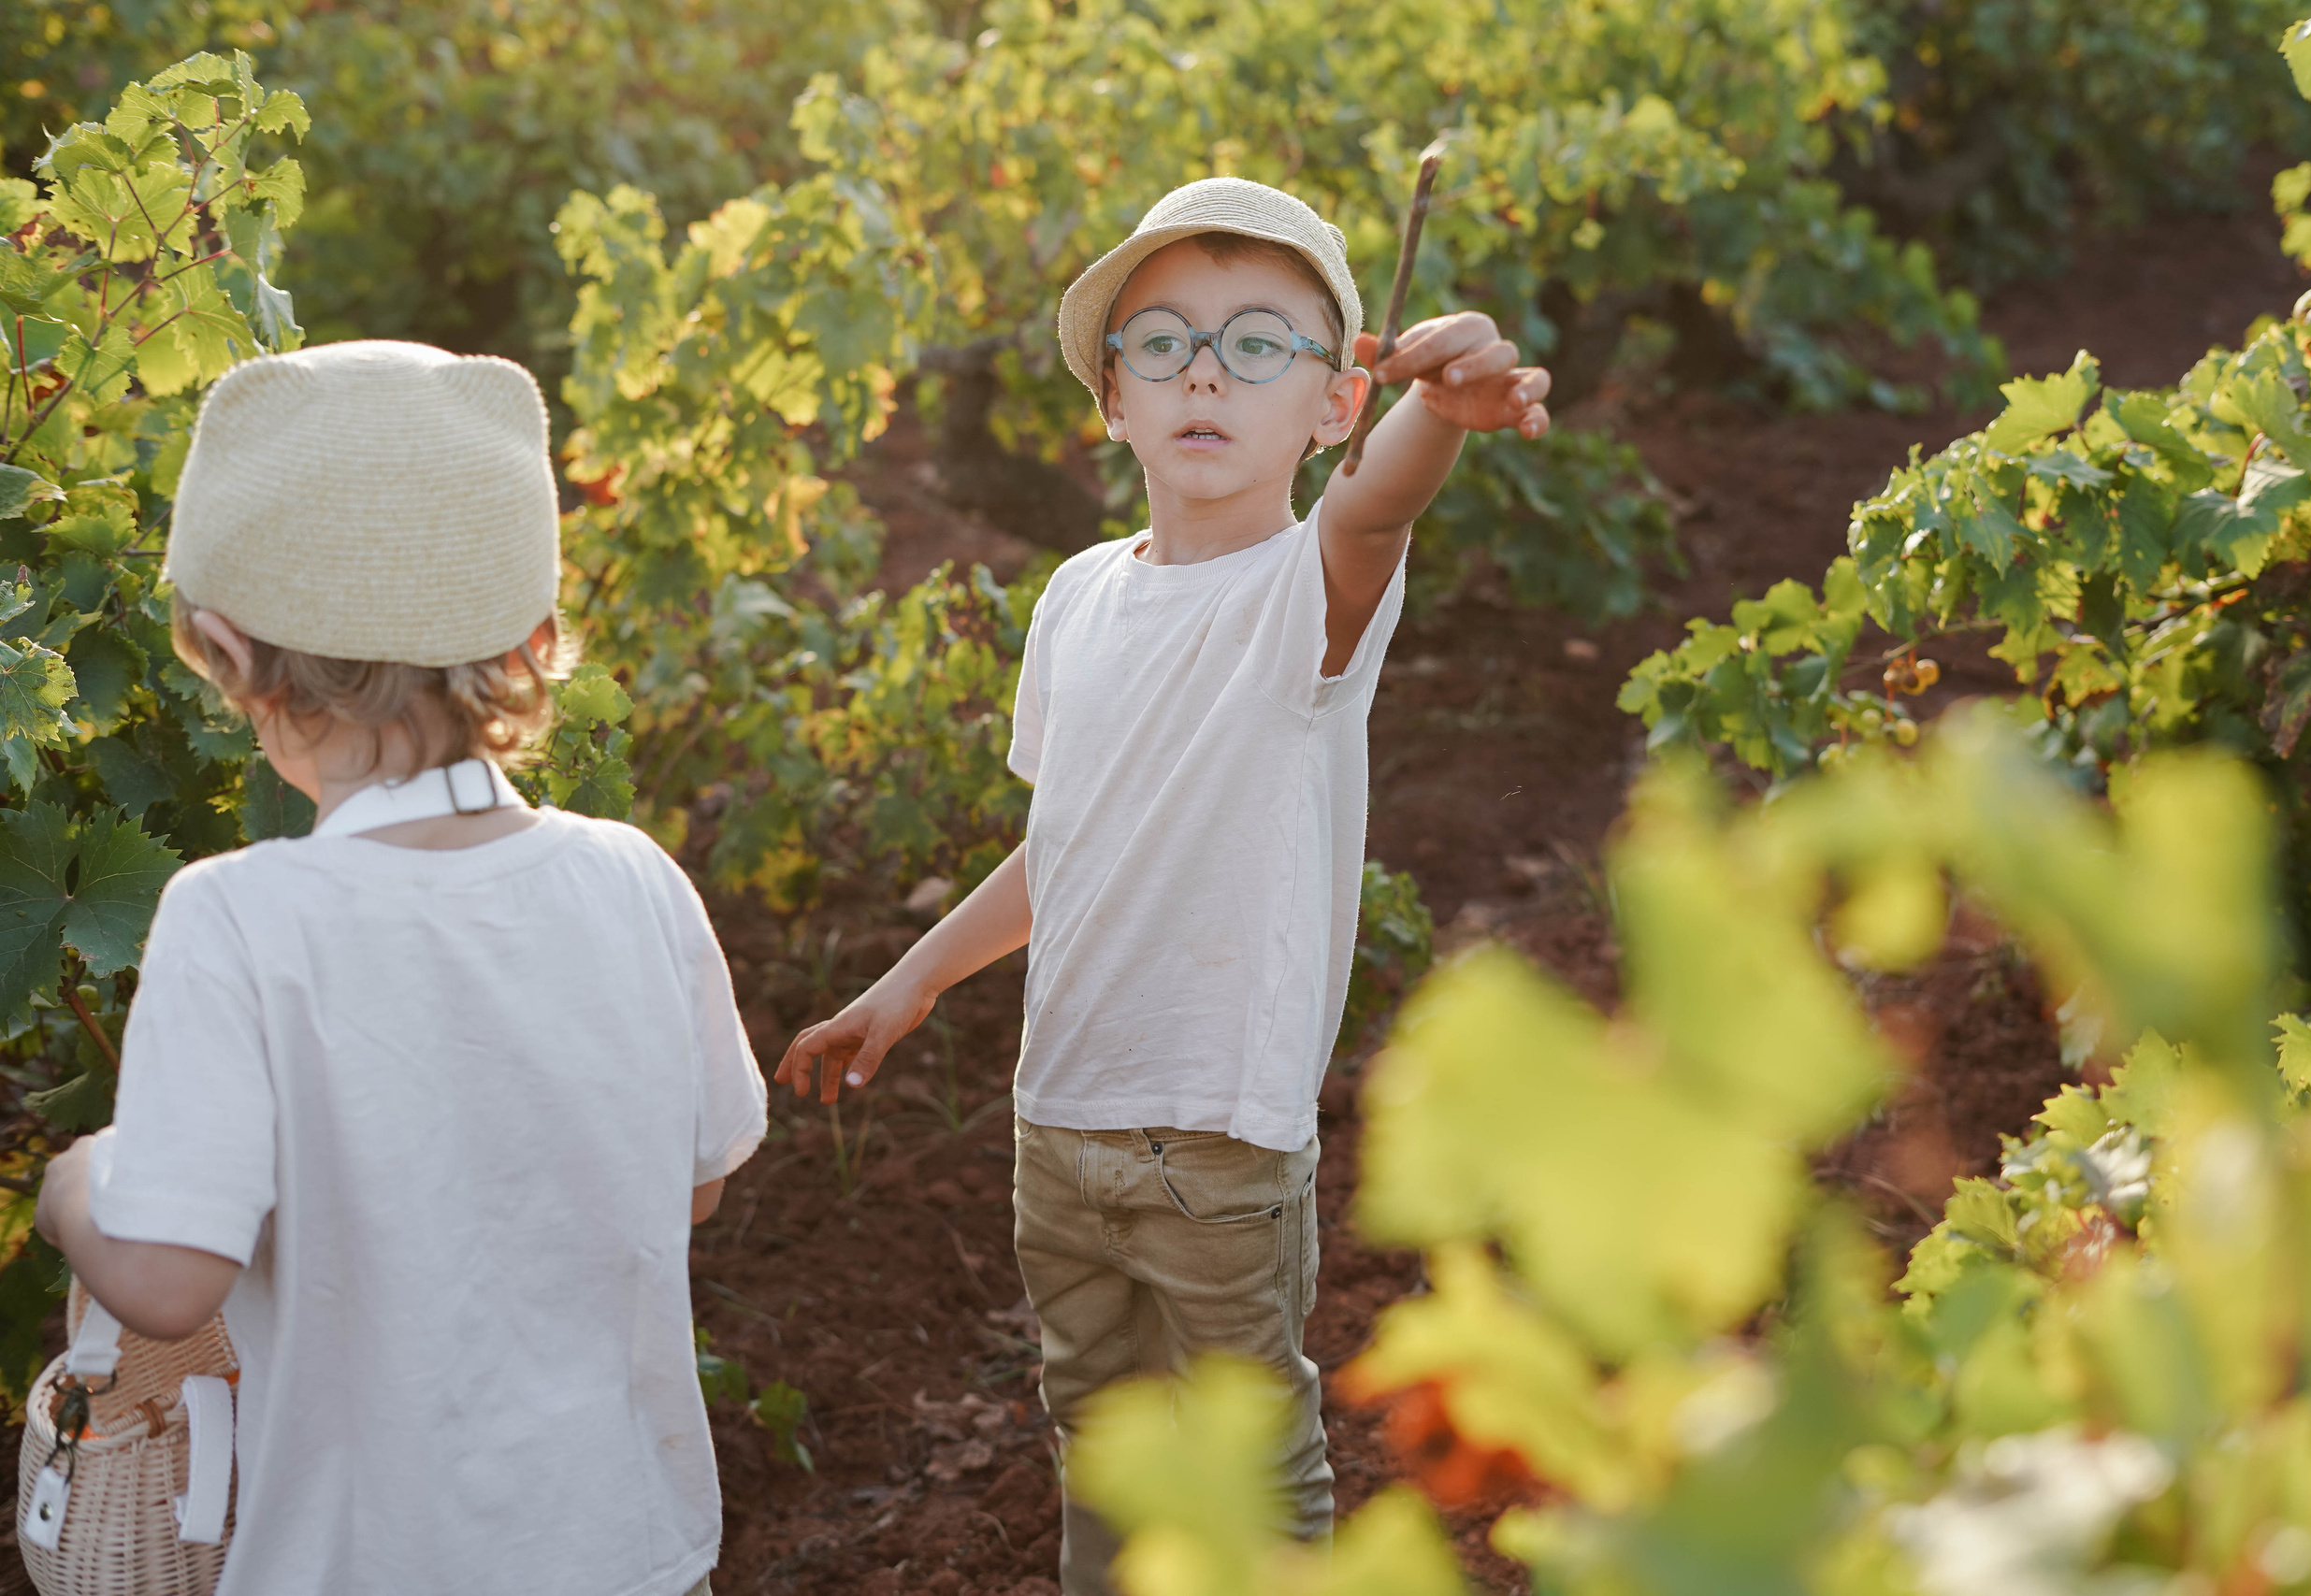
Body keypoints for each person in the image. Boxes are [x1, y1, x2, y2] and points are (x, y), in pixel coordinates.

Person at [777, 177, 1550, 1590]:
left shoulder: (1304, 596)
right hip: (1058, 1115)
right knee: (1103, 1438)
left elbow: (1375, 514)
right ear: (1113, 401)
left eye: (1258, 344)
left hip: (1217, 1138)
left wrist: (1439, 412)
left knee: (1251, 1457)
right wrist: (910, 983)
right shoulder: (1076, 597)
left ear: (1334, 404)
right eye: (1163, 342)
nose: (1205, 371)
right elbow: (1070, 841)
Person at [32, 340, 767, 1596]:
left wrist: (72, 1185)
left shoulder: (239, 918)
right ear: (533, 636)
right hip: (633, 1556)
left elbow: (165, 1277)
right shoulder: (634, 878)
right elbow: (694, 1187)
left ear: (227, 651)